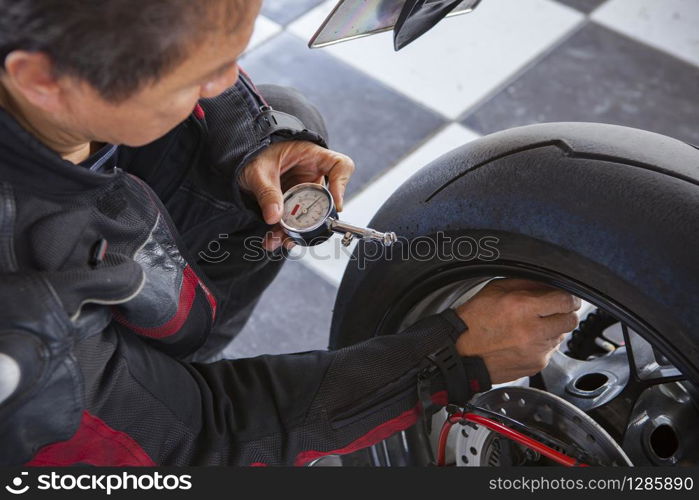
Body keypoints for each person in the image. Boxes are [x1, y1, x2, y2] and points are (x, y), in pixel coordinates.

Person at [0, 0, 581, 466]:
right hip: (58, 397)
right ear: (44, 80)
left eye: (232, 56)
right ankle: (126, 390)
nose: (227, 81)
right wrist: (450, 356)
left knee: (274, 116)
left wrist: (258, 136)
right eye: (197, 76)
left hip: (101, 291)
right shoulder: (21, 324)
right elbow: (195, 437)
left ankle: (147, 368)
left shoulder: (48, 75)